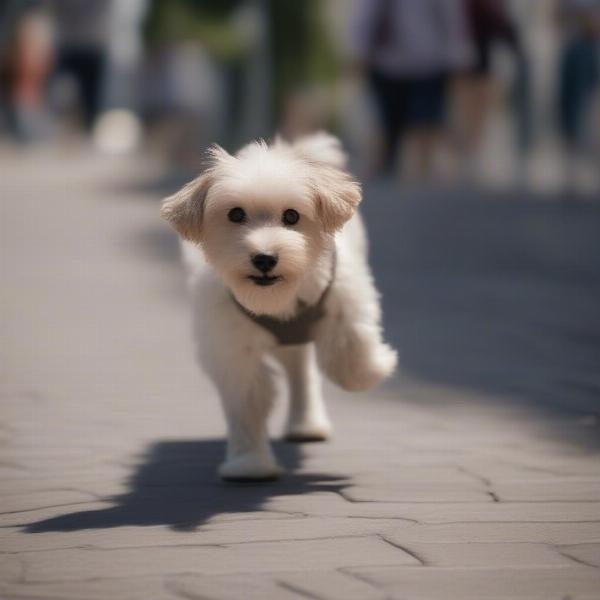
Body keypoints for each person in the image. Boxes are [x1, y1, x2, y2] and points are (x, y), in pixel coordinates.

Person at [349, 0, 471, 180]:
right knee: (387, 123)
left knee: (423, 122)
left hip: (428, 64)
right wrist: (358, 52)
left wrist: (457, 57)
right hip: (386, 64)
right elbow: (365, 17)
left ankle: (419, 173)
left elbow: (451, 20)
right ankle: (387, 169)